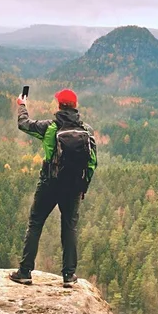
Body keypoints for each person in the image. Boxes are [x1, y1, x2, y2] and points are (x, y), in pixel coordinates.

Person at [9, 89, 97, 287]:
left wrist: (22, 105)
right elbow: (92, 162)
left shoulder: (50, 127)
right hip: (73, 187)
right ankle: (68, 275)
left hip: (49, 183)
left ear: (59, 106)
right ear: (75, 106)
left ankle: (25, 271)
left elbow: (24, 124)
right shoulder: (87, 130)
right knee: (69, 228)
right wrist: (83, 186)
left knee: (36, 223)